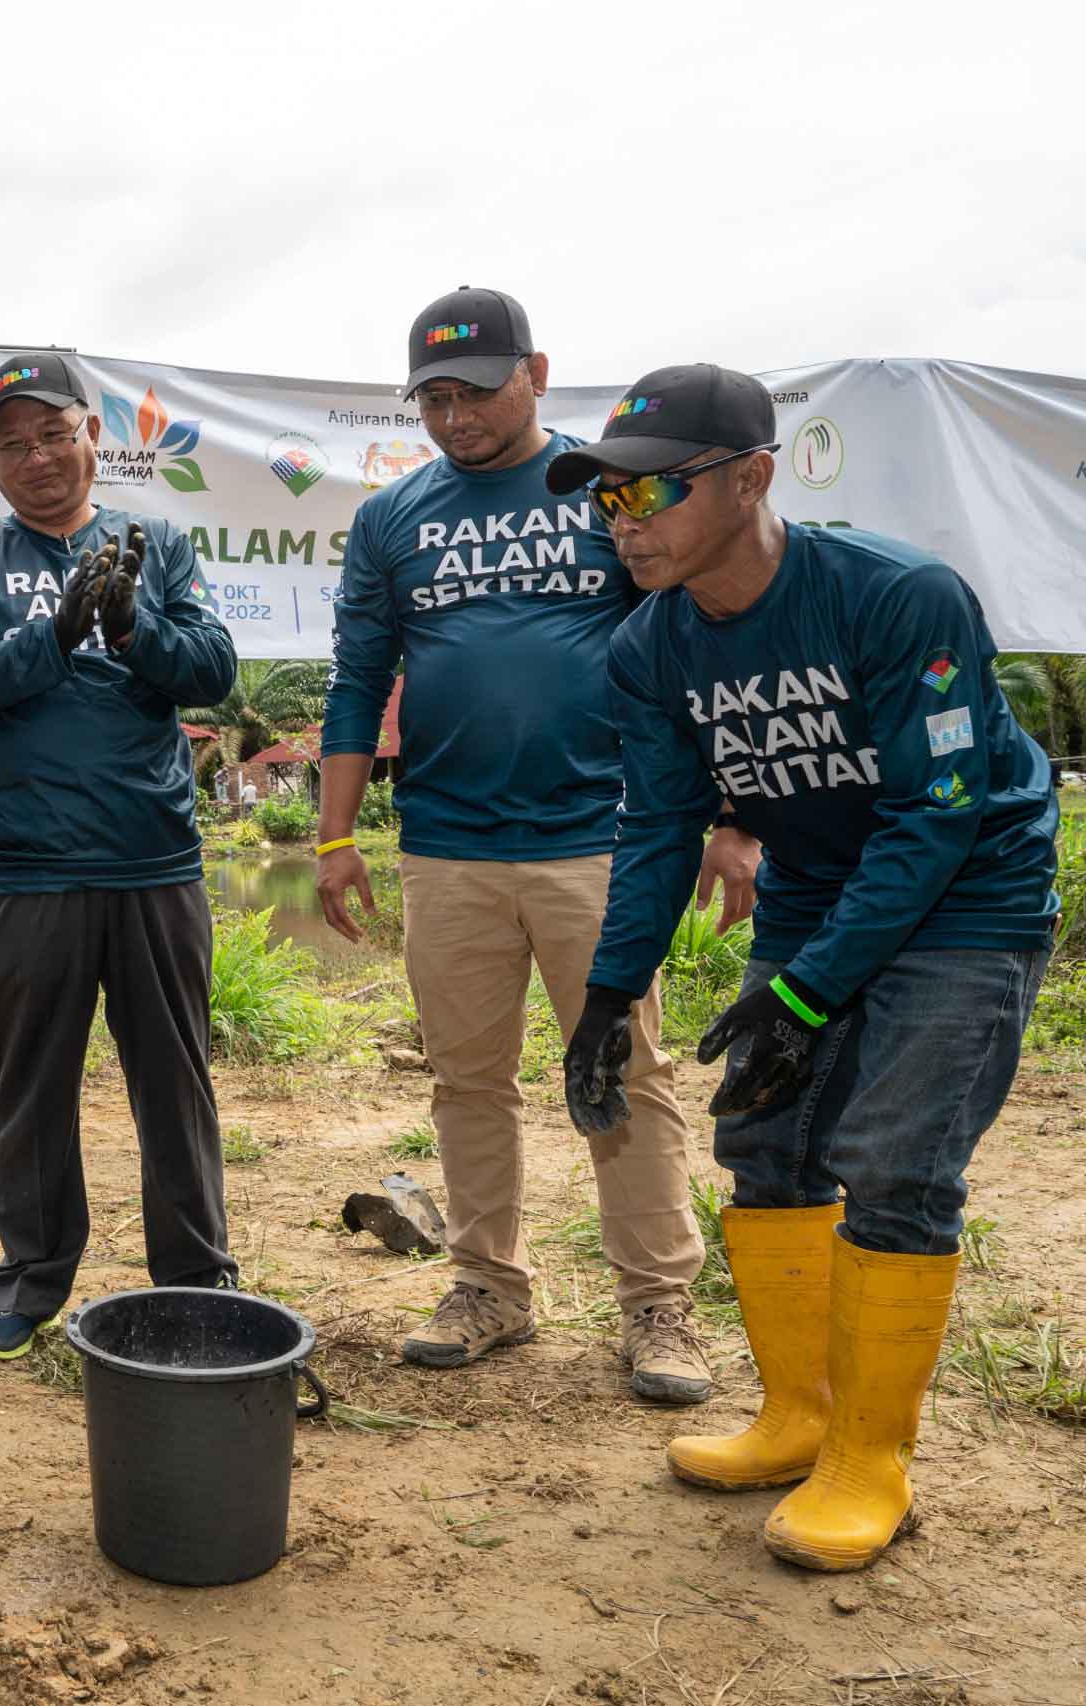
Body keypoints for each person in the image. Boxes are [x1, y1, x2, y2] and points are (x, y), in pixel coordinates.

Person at [557, 363, 1059, 1572]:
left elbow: (935, 819)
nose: (626, 522)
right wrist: (608, 994)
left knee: (891, 1160)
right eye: (606, 500)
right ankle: (796, 1417)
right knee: (766, 1146)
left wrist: (804, 989)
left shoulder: (896, 598)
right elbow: (657, 826)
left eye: (653, 492)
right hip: (817, 885)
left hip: (966, 894)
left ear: (750, 479)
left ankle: (870, 1459)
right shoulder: (648, 648)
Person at [318, 287, 757, 1404]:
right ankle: (486, 1284)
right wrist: (332, 833)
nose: (454, 415)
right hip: (448, 842)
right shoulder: (392, 518)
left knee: (626, 1071)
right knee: (466, 1079)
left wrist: (723, 812)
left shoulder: (605, 491)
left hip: (599, 834)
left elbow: (692, 645)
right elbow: (360, 678)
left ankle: (657, 1303)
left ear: (537, 373)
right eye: (432, 396)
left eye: (475, 389)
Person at [0, 351, 240, 1361]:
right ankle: (29, 1283)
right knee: (29, 1088)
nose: (38, 457)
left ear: (93, 434)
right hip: (21, 871)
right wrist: (50, 637)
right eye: (13, 443)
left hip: (152, 862)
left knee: (174, 1082)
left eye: (55, 433)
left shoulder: (161, 545)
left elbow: (213, 669)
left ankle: (196, 1279)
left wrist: (131, 625)